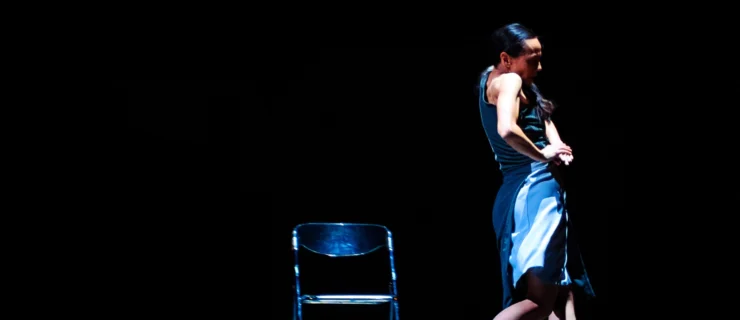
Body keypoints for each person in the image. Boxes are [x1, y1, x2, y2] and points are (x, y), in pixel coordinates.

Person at [478, 23, 596, 320]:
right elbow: (507, 129)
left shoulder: (497, 79)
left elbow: (539, 117)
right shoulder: (509, 82)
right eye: (532, 59)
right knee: (540, 301)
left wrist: (556, 144)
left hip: (531, 189)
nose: (539, 66)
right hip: (535, 188)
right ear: (506, 59)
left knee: (561, 295)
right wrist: (543, 153)